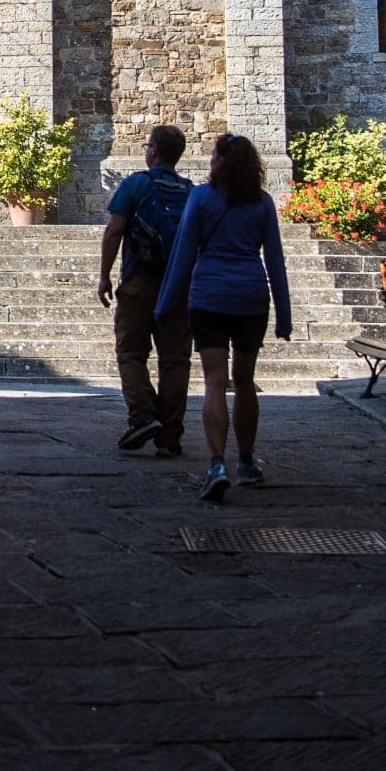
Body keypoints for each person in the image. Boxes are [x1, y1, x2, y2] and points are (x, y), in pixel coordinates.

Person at [154, 133, 293, 502]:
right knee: (245, 383)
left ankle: (217, 463)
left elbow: (183, 256)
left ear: (219, 162)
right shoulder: (262, 203)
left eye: (213, 156)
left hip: (209, 295)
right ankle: (246, 461)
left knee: (214, 382)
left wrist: (164, 306)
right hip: (251, 296)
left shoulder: (200, 197)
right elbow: (275, 262)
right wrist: (285, 316)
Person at [97, 125, 193, 455]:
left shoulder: (136, 184)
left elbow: (114, 231)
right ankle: (170, 436)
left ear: (153, 151)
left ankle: (142, 416)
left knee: (131, 352)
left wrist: (104, 276)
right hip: (178, 285)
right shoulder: (190, 191)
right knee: (176, 360)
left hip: (139, 280)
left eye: (148, 144)